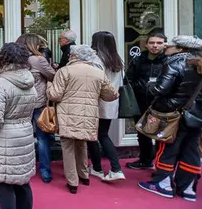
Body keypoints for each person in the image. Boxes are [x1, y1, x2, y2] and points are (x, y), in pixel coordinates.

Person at [138, 35, 202, 202]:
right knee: (191, 150)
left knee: (166, 147)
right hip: (199, 116)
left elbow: (160, 89)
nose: (166, 47)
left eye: (169, 45)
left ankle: (163, 183)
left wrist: (149, 85)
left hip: (175, 114)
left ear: (181, 48)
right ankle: (188, 188)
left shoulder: (175, 62)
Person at [47, 45, 118, 194]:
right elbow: (111, 95)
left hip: (68, 114)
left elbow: (55, 95)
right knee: (82, 144)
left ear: (73, 56)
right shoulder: (98, 73)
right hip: (89, 114)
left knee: (68, 147)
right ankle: (84, 175)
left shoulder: (64, 71)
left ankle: (73, 182)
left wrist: (48, 87)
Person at [0, 43, 37, 209]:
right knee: (22, 181)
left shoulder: (1, 84)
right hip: (24, 133)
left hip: (4, 137)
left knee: (4, 183)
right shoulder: (29, 81)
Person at [16, 34, 56, 183]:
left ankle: (21, 168)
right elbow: (53, 76)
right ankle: (45, 172)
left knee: (20, 137)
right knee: (42, 138)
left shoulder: (14, 60)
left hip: (20, 104)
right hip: (38, 102)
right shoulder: (38, 60)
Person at [86, 31, 126, 182]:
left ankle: (104, 168)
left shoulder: (96, 59)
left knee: (95, 136)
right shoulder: (117, 59)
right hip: (111, 102)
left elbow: (96, 83)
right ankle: (113, 168)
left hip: (98, 102)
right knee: (102, 134)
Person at [126, 32, 166, 169]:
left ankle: (162, 164)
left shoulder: (168, 60)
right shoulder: (138, 60)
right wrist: (139, 87)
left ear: (165, 44)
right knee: (142, 132)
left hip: (162, 103)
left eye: (159, 43)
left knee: (162, 133)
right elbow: (128, 79)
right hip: (141, 101)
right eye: (152, 43)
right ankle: (145, 160)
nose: (155, 46)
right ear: (147, 44)